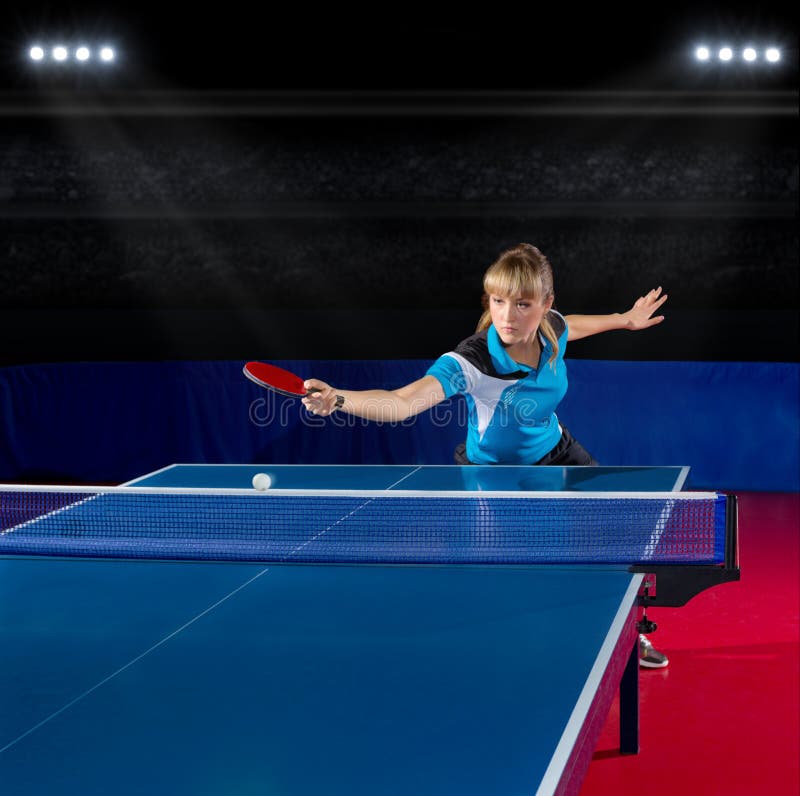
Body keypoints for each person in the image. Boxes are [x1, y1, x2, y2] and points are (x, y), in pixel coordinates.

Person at [303, 242, 670, 668]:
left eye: (522, 304)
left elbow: (570, 324)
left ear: (545, 304)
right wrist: (340, 399)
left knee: (617, 532)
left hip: (558, 452)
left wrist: (624, 320)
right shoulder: (470, 361)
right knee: (509, 570)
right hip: (493, 476)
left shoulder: (550, 329)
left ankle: (630, 633)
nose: (507, 316)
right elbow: (401, 402)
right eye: (498, 301)